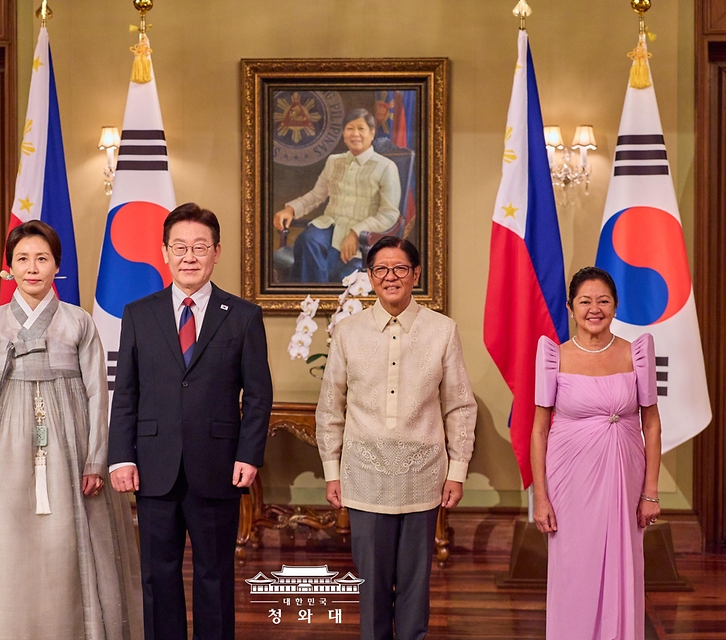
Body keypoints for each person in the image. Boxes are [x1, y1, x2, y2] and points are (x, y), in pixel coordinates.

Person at [0, 220, 144, 640]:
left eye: (42, 258)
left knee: (62, 542)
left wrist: (96, 458)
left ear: (57, 265)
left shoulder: (78, 323)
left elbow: (98, 392)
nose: (32, 268)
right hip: (1, 445)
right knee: (7, 538)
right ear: (9, 268)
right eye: (22, 259)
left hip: (69, 445)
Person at [108, 202, 273, 640]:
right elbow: (126, 392)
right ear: (164, 252)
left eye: (200, 247)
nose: (189, 256)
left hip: (219, 466)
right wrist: (121, 456)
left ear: (216, 252)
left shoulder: (242, 316)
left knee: (214, 576)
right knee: (157, 577)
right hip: (154, 466)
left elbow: (258, 395)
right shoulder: (139, 314)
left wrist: (249, 455)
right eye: (179, 246)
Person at [316, 235, 477, 640]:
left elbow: (459, 405)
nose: (391, 277)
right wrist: (332, 473)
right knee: (370, 586)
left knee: (414, 586)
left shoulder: (442, 330)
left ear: (416, 274)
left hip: (423, 476)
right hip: (364, 474)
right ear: (370, 277)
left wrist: (456, 471)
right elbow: (331, 408)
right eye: (382, 270)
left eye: (400, 268)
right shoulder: (348, 332)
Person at [530, 266, 663, 640]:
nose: (594, 308)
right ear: (571, 307)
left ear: (615, 306)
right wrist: (541, 498)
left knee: (624, 567)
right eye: (585, 301)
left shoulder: (636, 354)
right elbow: (539, 430)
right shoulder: (554, 356)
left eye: (603, 300)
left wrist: (651, 492)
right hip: (568, 482)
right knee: (574, 569)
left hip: (624, 476)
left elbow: (651, 424)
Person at [273, 108, 401, 283]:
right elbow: (316, 195)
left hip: (364, 236)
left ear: (372, 133)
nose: (355, 134)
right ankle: (312, 303)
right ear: (343, 134)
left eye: (361, 129)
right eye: (350, 128)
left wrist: (356, 233)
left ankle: (321, 303)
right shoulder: (334, 161)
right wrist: (291, 209)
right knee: (307, 239)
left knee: (329, 259)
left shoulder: (386, 167)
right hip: (330, 225)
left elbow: (389, 214)